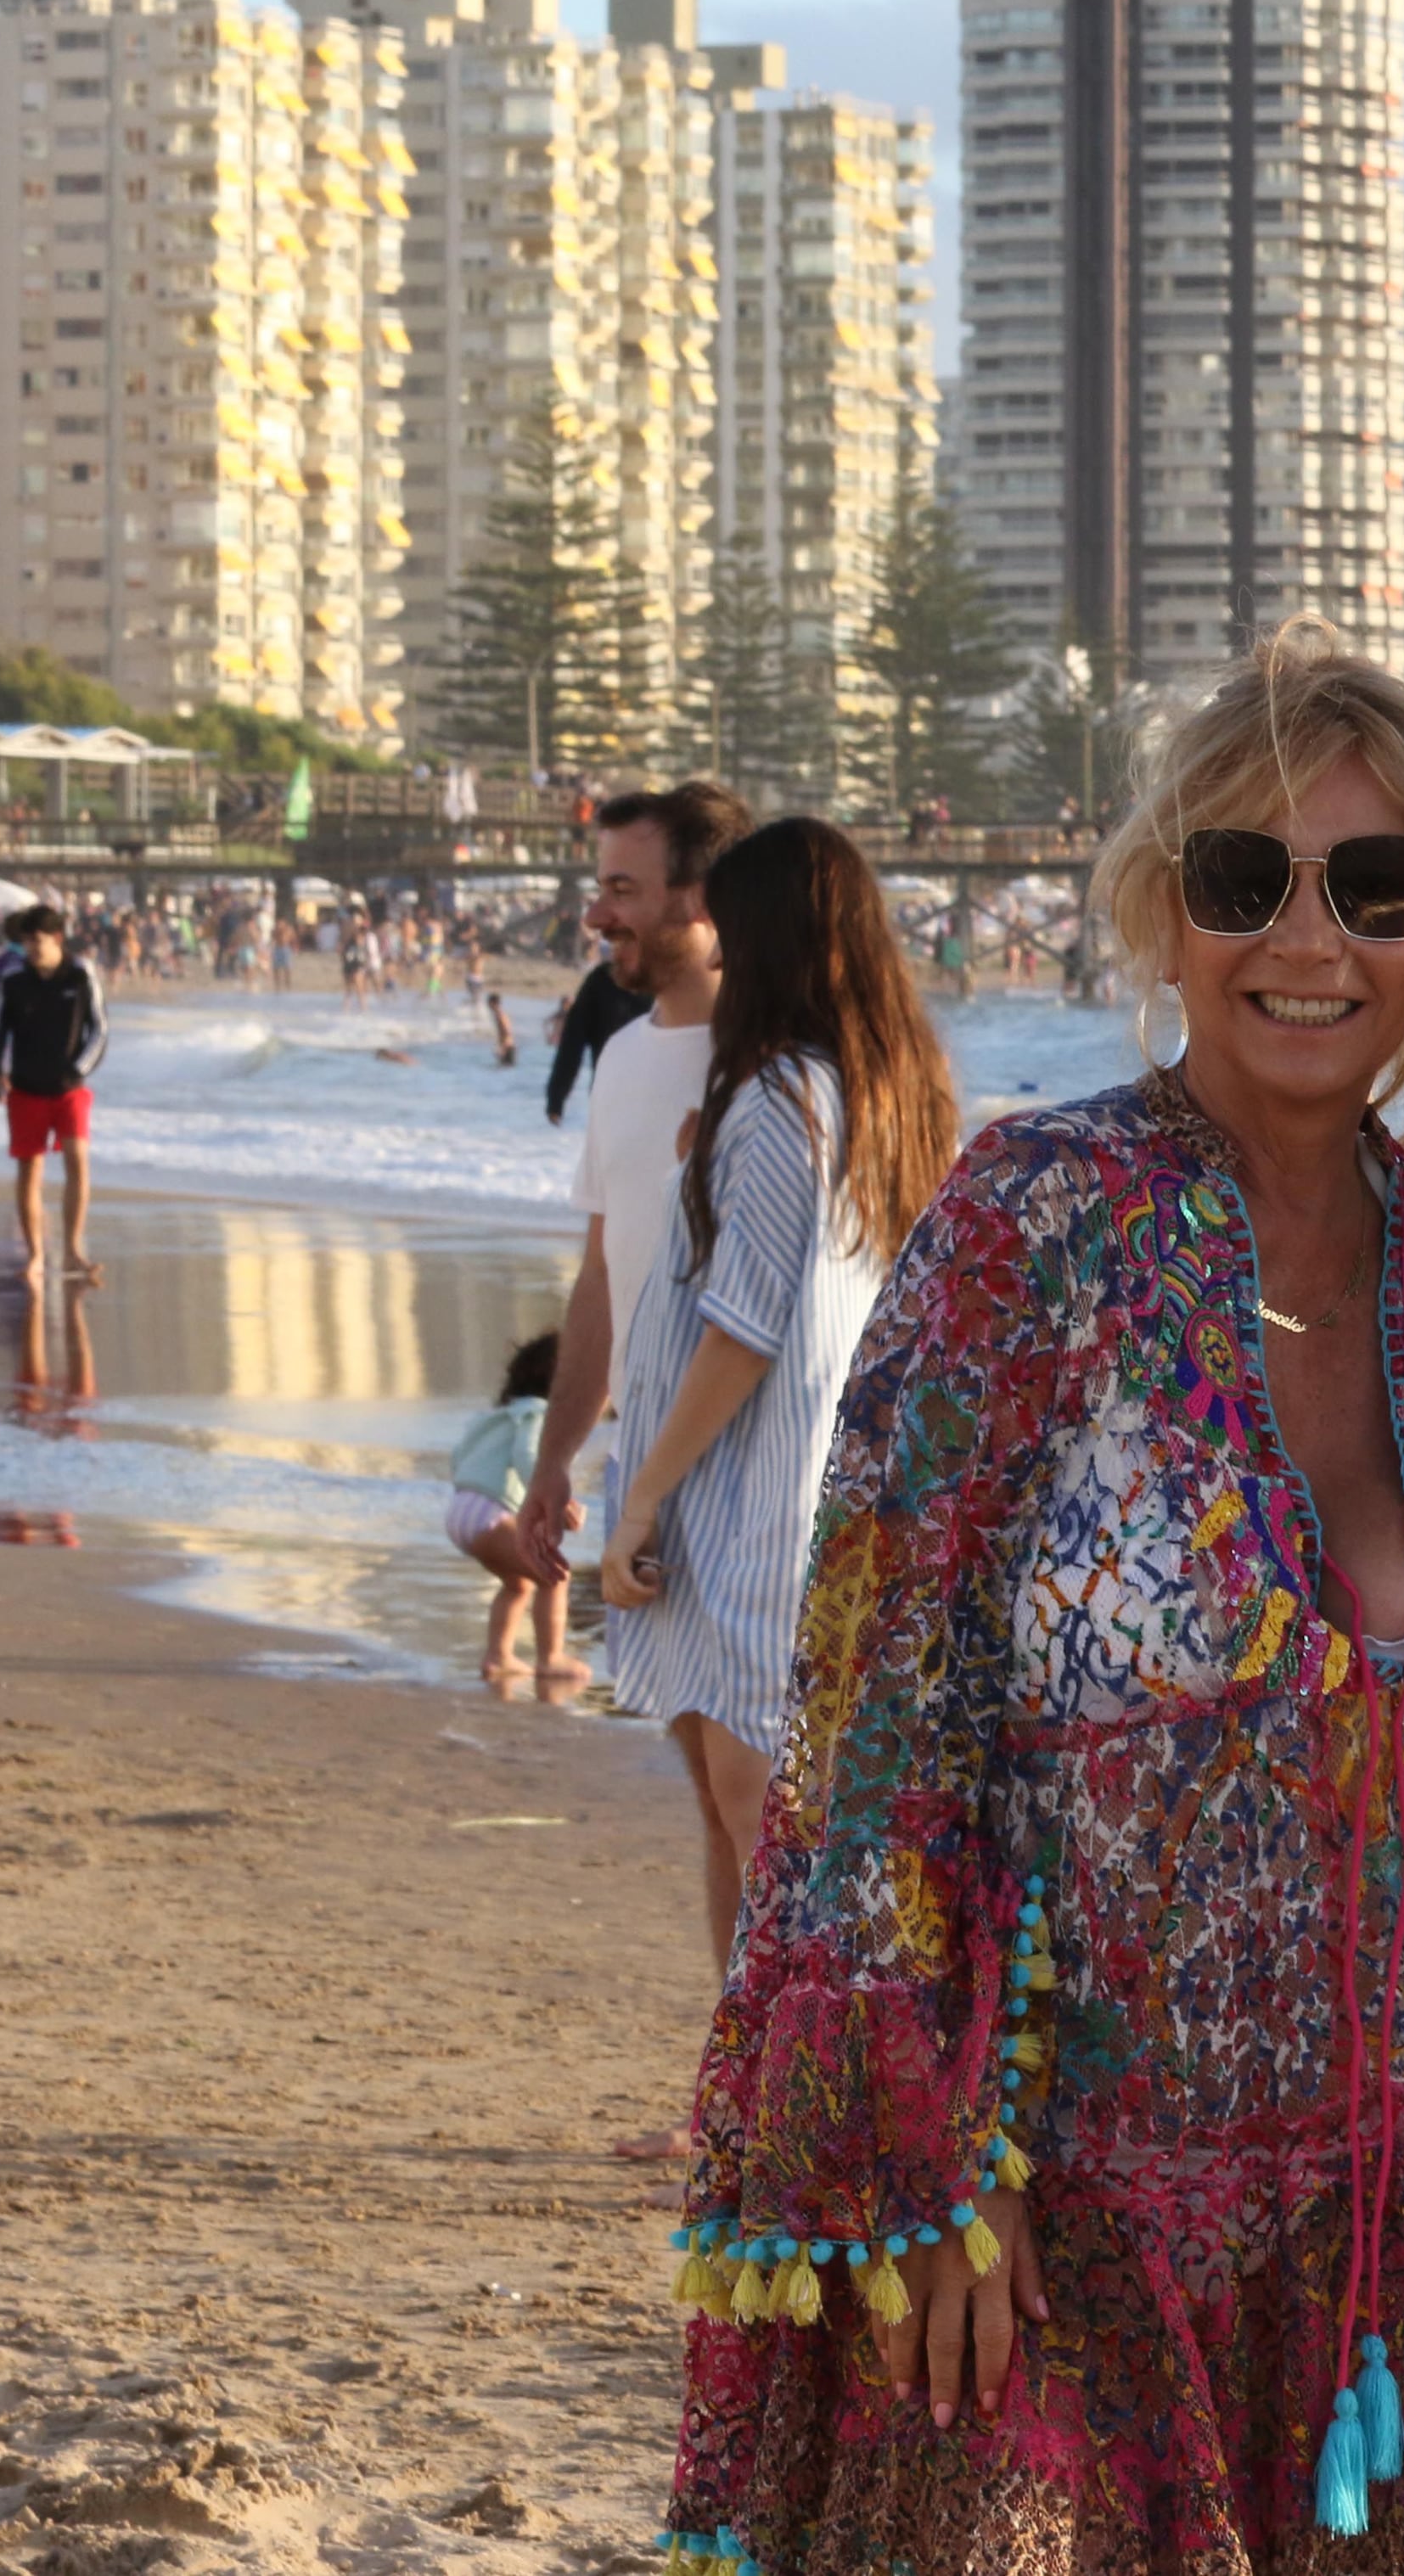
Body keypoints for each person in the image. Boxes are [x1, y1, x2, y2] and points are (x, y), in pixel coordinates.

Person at [656, 635, 1404, 2573]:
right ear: (1162, 909)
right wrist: (927, 2178)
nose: (1307, 935)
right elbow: (868, 1721)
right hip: (1058, 2214)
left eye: (1379, 884)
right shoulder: (1031, 1222)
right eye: (1245, 877)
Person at [594, 815, 955, 1981]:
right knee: (753, 1817)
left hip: (756, 1502)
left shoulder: (780, 1098)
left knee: (760, 1821)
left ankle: (784, 2121)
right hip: (824, 1490)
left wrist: (643, 1499)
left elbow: (743, 1329)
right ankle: (742, 2112)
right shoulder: (881, 1091)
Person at [514, 784, 749, 1602]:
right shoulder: (618, 1058)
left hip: (758, 1470)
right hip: (641, 1457)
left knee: (740, 1733)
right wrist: (554, 1460)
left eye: (623, 891)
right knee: (685, 1729)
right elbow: (602, 1278)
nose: (596, 917)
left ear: (702, 900)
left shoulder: (777, 1066)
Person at [447, 1330, 585, 1700]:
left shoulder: (496, 1417)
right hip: (490, 1511)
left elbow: (459, 1456)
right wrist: (552, 1497)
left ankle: (498, 1655)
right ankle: (551, 1658)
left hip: (462, 1508)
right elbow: (528, 1457)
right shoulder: (539, 1414)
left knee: (518, 1583)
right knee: (555, 1574)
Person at [0, 904, 110, 1282]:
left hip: (69, 1088)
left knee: (77, 1159)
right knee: (30, 1169)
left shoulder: (80, 974)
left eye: (37, 941)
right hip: (26, 1088)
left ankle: (72, 1249)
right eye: (26, 941)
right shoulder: (13, 979)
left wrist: (79, 1070)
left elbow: (100, 1031)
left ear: (56, 938)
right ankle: (36, 1254)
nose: (31, 948)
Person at [542, 952, 653, 1122]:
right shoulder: (601, 981)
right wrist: (556, 1098)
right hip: (609, 1097)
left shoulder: (665, 983)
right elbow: (572, 1042)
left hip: (656, 1097)